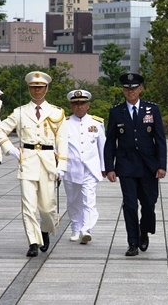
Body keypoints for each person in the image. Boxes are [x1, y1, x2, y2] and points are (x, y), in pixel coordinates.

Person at [0, 71, 68, 257]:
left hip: (48, 163)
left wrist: (62, 167)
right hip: (27, 162)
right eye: (33, 87)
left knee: (48, 207)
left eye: (40, 87)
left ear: (46, 88)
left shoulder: (56, 112)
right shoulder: (20, 112)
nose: (37, 91)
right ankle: (33, 242)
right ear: (29, 89)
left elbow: (63, 141)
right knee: (28, 206)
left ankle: (44, 230)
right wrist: (9, 149)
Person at [104, 73, 167, 256]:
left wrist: (162, 165)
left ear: (140, 89)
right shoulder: (116, 112)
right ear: (123, 90)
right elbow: (110, 142)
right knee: (130, 205)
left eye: (134, 88)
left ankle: (144, 231)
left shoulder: (152, 110)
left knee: (149, 203)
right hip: (126, 165)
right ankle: (132, 242)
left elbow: (160, 139)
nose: (130, 92)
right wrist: (110, 168)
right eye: (126, 88)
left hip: (149, 166)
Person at [63, 89, 106, 245]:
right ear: (71, 106)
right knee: (73, 200)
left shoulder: (96, 123)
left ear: (88, 105)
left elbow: (102, 147)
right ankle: (76, 227)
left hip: (90, 169)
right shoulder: (64, 123)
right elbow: (58, 147)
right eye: (76, 104)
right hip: (70, 169)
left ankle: (86, 229)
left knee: (89, 200)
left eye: (82, 103)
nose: (79, 107)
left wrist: (104, 167)